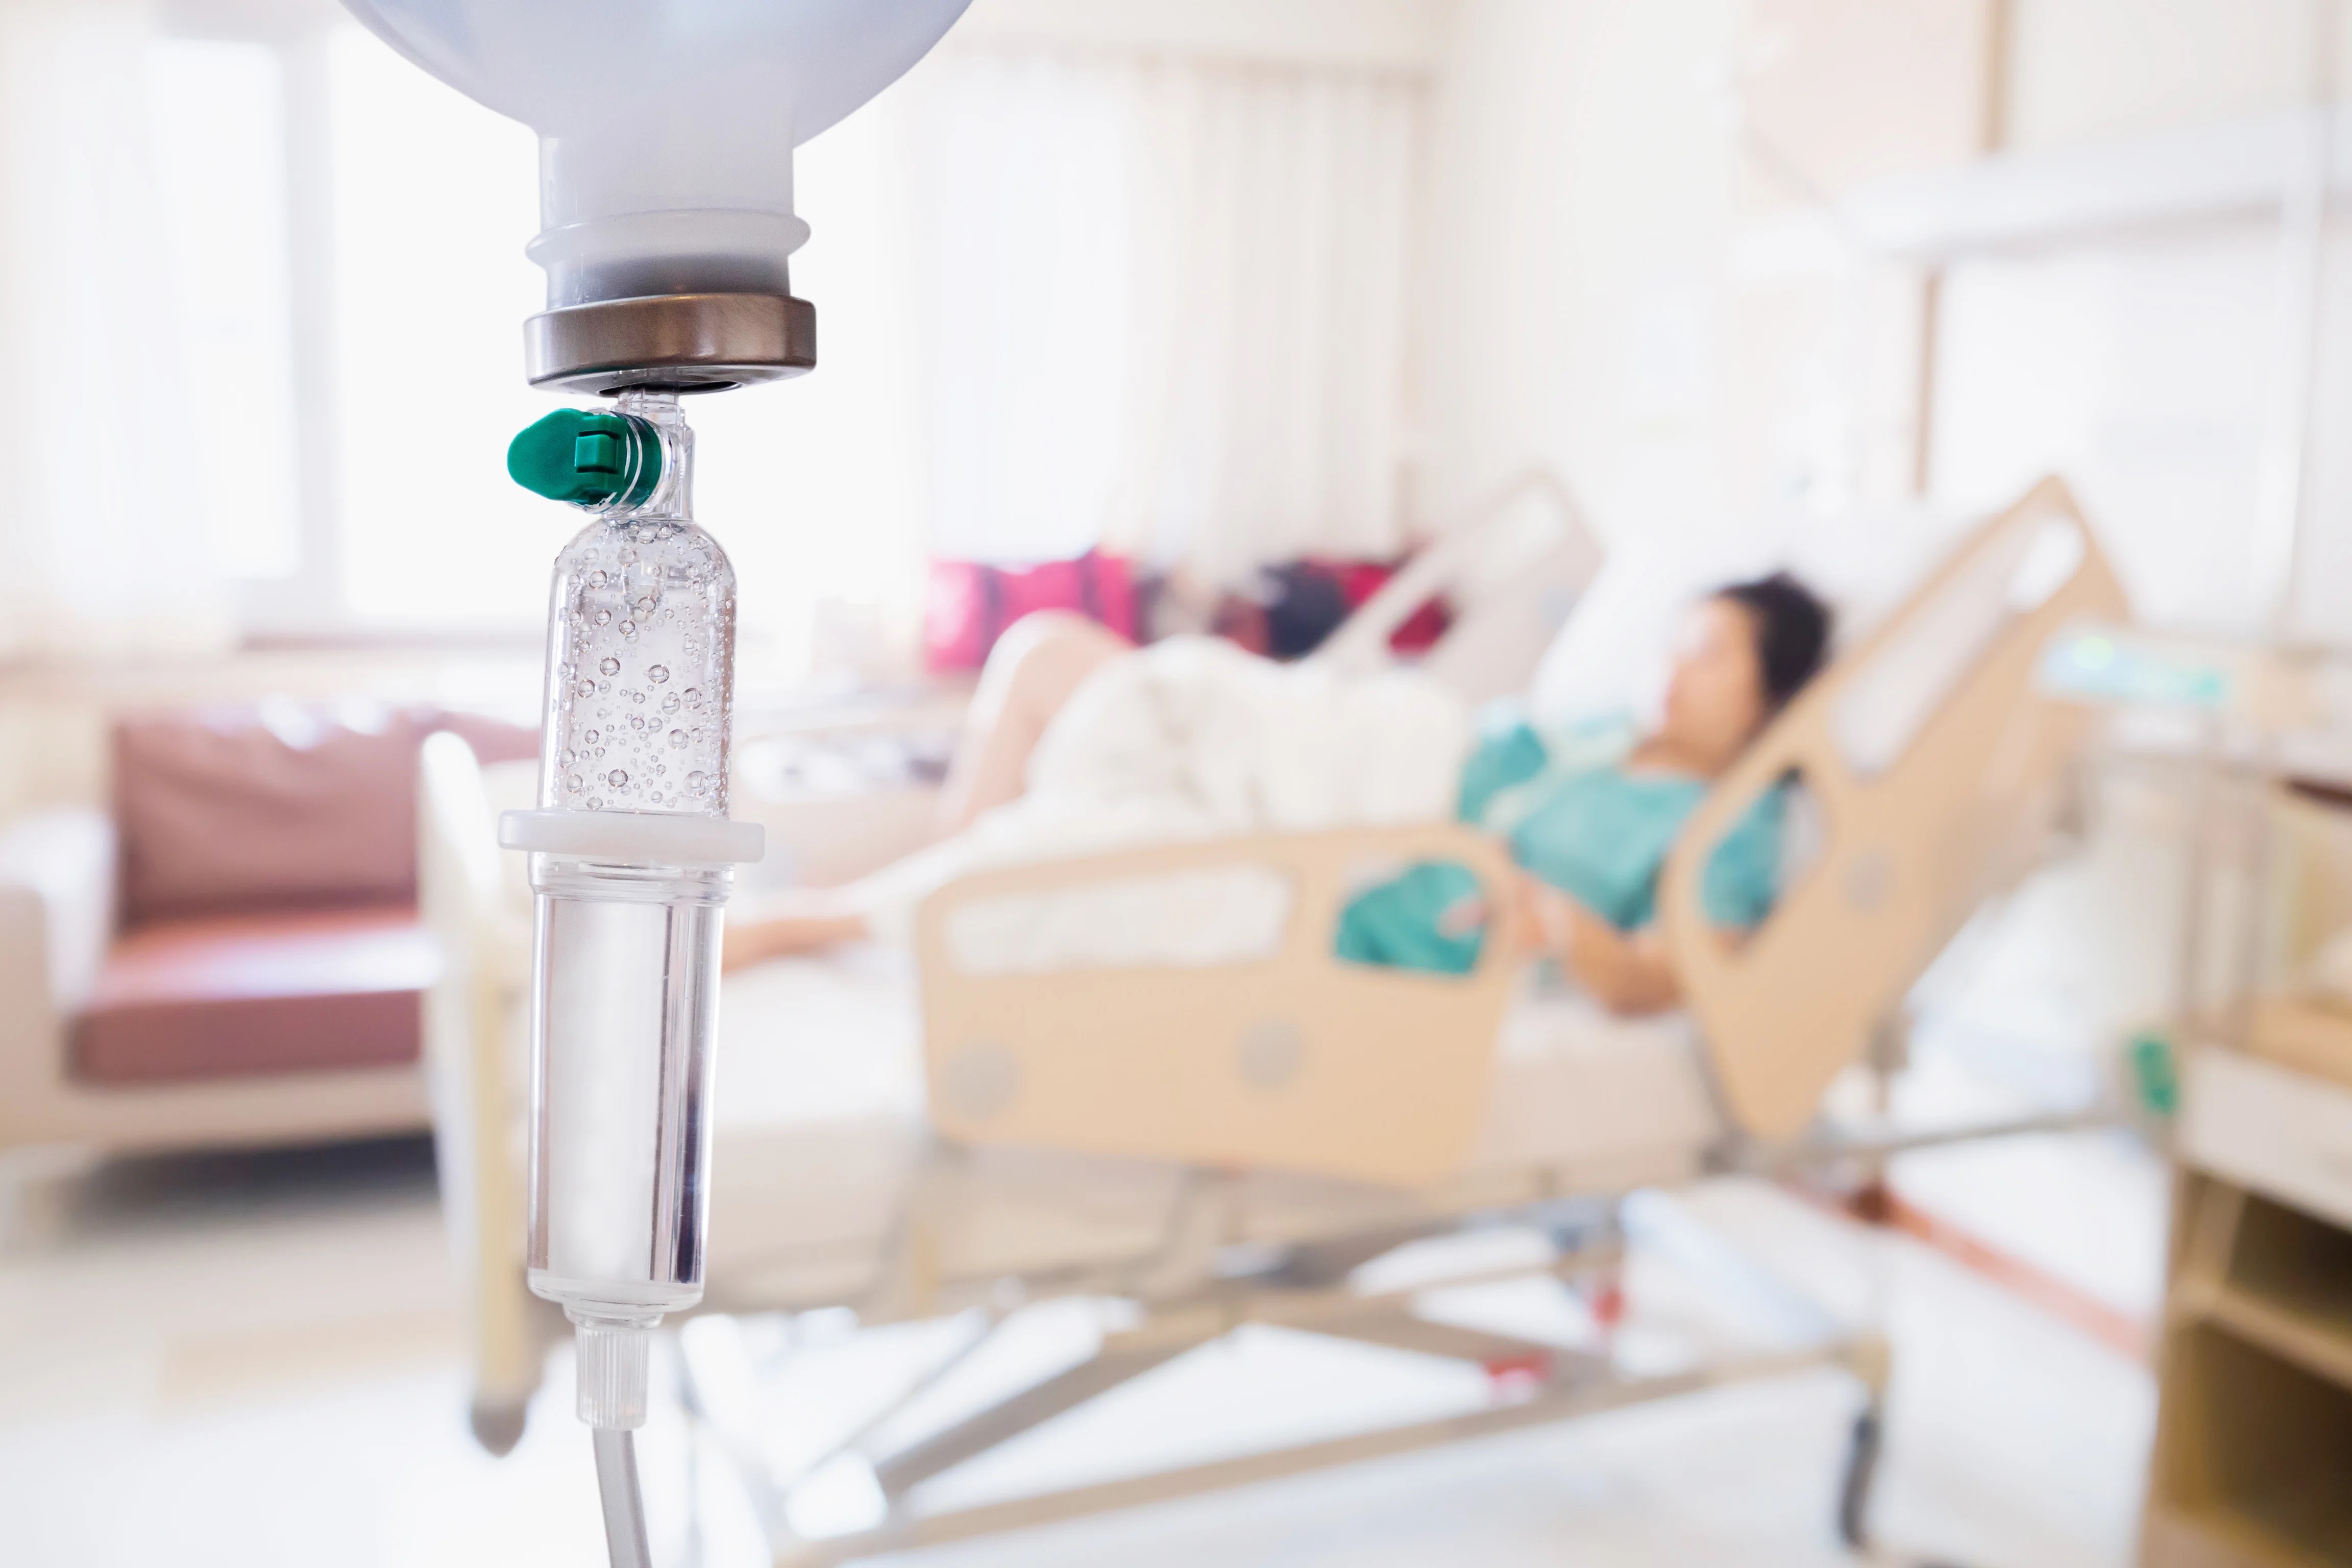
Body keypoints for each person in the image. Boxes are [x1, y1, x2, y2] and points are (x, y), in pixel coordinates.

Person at [724, 574, 1832, 1017]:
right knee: (1057, 657)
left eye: (1709, 657)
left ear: (1767, 702)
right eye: (1673, 645)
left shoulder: (1726, 834)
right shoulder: (1598, 732)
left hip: (1379, 875)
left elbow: (1659, 984)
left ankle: (825, 919)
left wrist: (1562, 926)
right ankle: (912, 889)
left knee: (1108, 851)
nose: (1668, 671)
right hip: (1368, 761)